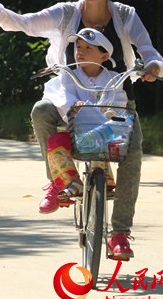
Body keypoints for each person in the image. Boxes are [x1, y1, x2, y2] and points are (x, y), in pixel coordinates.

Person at [0, 0, 163, 261]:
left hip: (115, 96)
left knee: (131, 154)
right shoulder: (66, 13)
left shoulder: (125, 15)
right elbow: (26, 23)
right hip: (71, 95)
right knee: (42, 111)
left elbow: (148, 51)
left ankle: (119, 234)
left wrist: (154, 68)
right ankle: (62, 180)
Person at [38, 28, 127, 216]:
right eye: (78, 46)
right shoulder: (69, 75)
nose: (80, 51)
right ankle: (70, 182)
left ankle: (105, 179)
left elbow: (118, 101)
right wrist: (73, 104)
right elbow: (59, 94)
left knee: (108, 134)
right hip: (77, 131)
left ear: (104, 56)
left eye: (88, 48)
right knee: (55, 141)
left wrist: (108, 111)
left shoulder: (113, 78)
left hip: (103, 133)